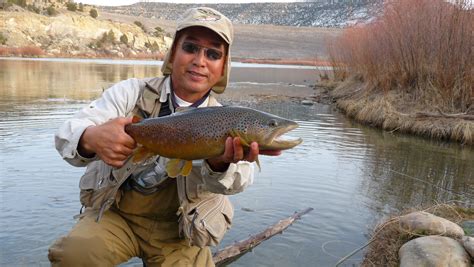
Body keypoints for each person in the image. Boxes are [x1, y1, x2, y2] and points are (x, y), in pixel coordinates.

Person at [49, 7, 281, 266]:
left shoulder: (229, 118)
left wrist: (219, 164)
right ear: (173, 53)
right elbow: (65, 135)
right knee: (74, 255)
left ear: (223, 66)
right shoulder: (130, 94)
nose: (200, 61)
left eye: (213, 54)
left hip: (180, 234)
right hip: (115, 215)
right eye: (190, 48)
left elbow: (239, 183)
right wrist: (91, 138)